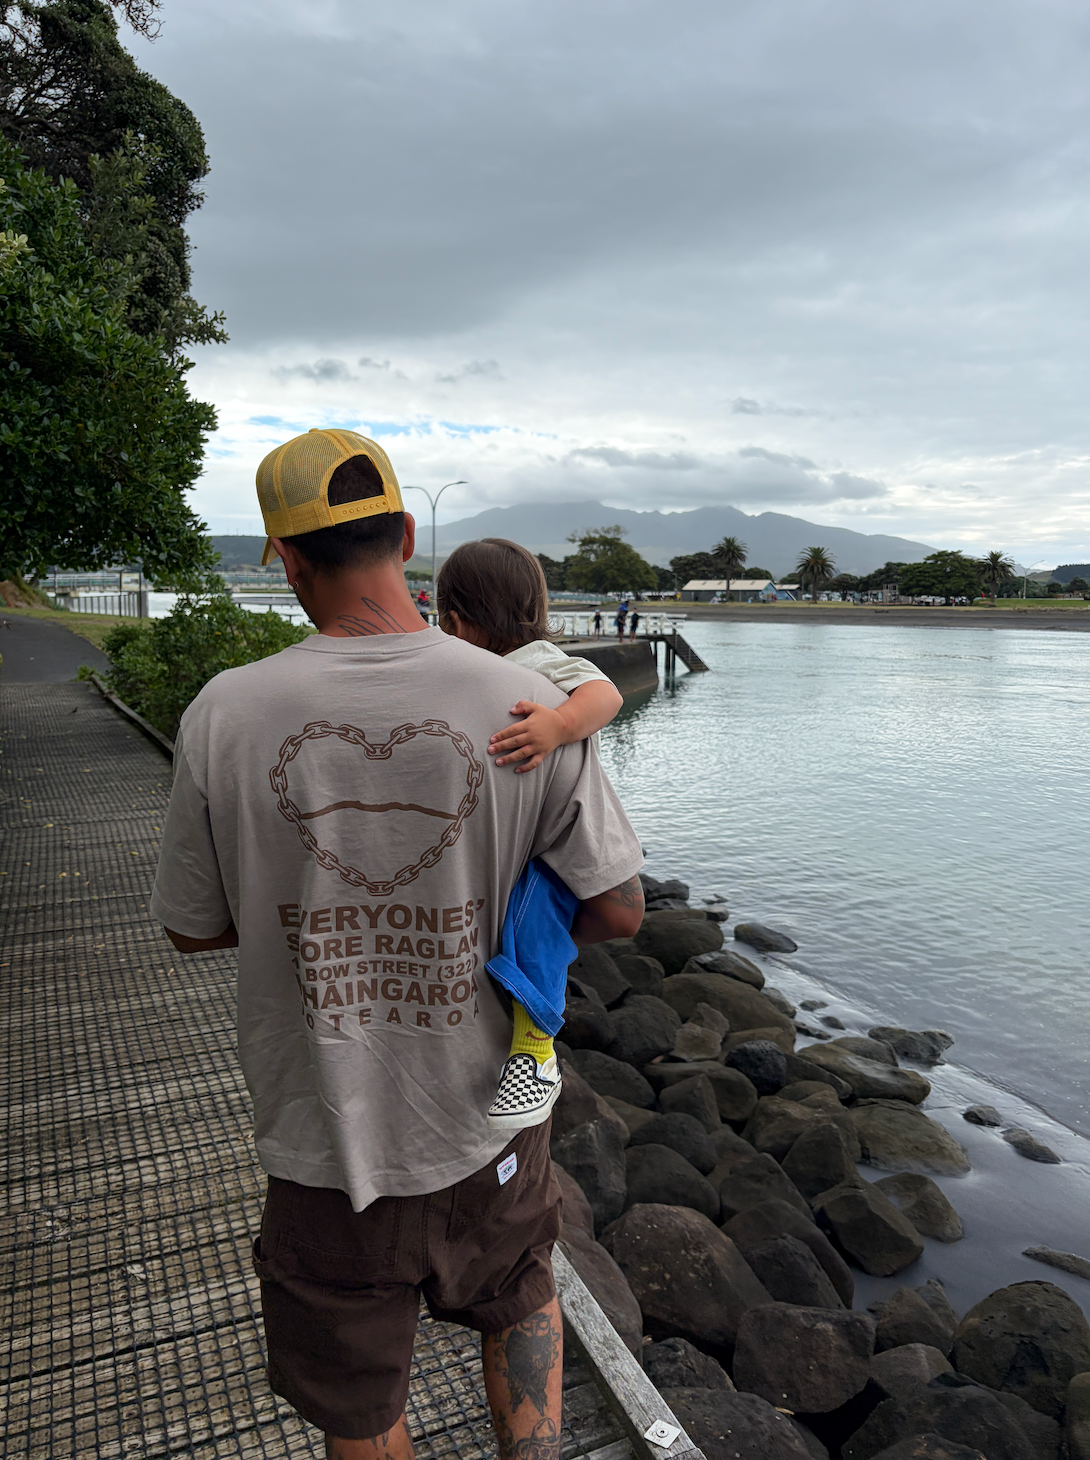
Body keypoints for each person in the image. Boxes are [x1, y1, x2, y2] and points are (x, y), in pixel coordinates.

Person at [150, 429, 645, 1460]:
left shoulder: (223, 714)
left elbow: (196, 924)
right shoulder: (528, 704)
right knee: (518, 1299)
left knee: (358, 1400)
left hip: (325, 1135)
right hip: (491, 1121)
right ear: (407, 535)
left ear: (284, 557)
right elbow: (617, 911)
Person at [436, 539, 624, 1125]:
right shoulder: (467, 672)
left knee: (534, 927)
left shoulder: (541, 661)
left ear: (455, 619)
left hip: (548, 848)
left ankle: (536, 1049)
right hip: (514, 839)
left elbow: (607, 693)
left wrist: (560, 725)